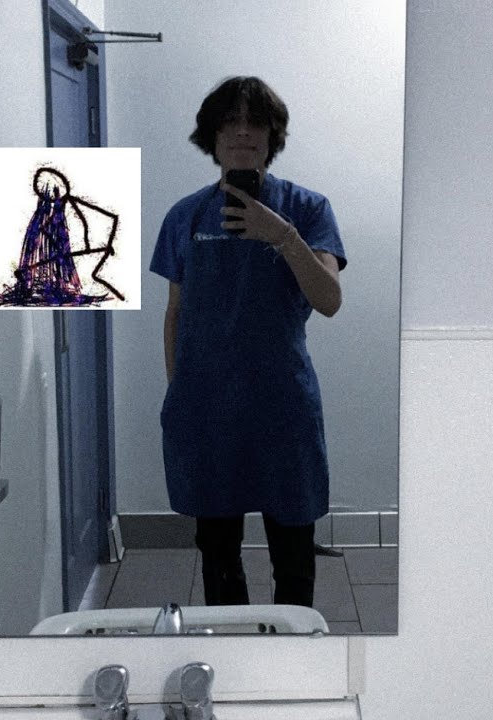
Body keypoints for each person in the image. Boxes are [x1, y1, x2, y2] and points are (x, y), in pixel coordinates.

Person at [149, 76, 346, 608]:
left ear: (272, 136)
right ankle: (230, 649)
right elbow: (175, 311)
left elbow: (329, 300)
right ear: (211, 137)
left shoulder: (308, 208)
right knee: (218, 558)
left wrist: (282, 236)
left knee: (294, 557)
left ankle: (292, 651)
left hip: (283, 410)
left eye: (255, 122)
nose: (242, 133)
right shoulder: (185, 215)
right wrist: (178, 394)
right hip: (207, 412)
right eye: (229, 122)